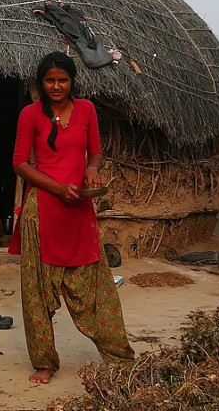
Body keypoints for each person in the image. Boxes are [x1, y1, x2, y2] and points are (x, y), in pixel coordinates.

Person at [9, 51, 134, 384]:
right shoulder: (30, 115)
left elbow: (95, 151)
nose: (56, 86)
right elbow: (20, 163)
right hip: (42, 213)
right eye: (49, 80)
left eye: (62, 80)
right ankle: (45, 362)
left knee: (96, 287)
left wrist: (91, 170)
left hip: (79, 211)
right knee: (36, 290)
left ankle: (119, 356)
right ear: (41, 83)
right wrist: (57, 188)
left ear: (72, 81)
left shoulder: (87, 110)